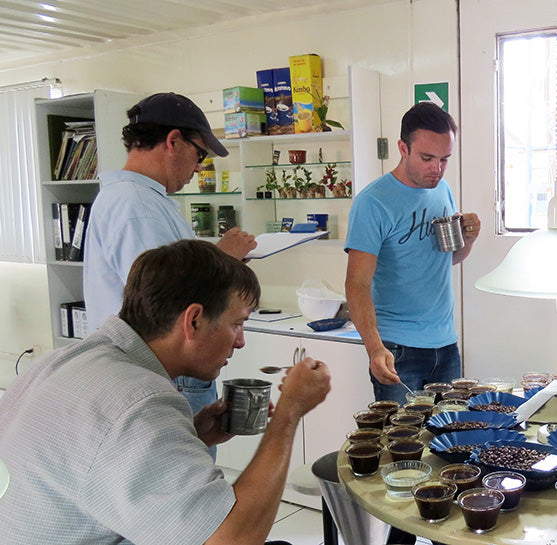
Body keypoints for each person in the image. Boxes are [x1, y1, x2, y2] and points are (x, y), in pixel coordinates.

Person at [0, 239, 331, 544]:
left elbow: (98, 462)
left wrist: (193, 435)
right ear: (194, 321)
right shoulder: (139, 401)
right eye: (236, 324)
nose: (240, 341)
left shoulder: (67, 360)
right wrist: (289, 414)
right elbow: (232, 539)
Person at [84, 92, 257, 425]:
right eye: (200, 154)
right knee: (185, 469)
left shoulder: (139, 199)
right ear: (173, 141)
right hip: (165, 369)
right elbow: (164, 298)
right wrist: (223, 257)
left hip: (161, 367)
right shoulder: (136, 206)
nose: (199, 167)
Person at [345, 102, 480, 405]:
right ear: (402, 148)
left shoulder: (442, 189)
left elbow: (447, 259)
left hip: (446, 345)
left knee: (450, 439)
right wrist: (374, 348)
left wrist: (468, 241)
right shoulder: (373, 203)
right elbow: (356, 284)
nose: (437, 168)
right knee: (400, 444)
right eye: (427, 158)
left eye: (445, 159)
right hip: (397, 347)